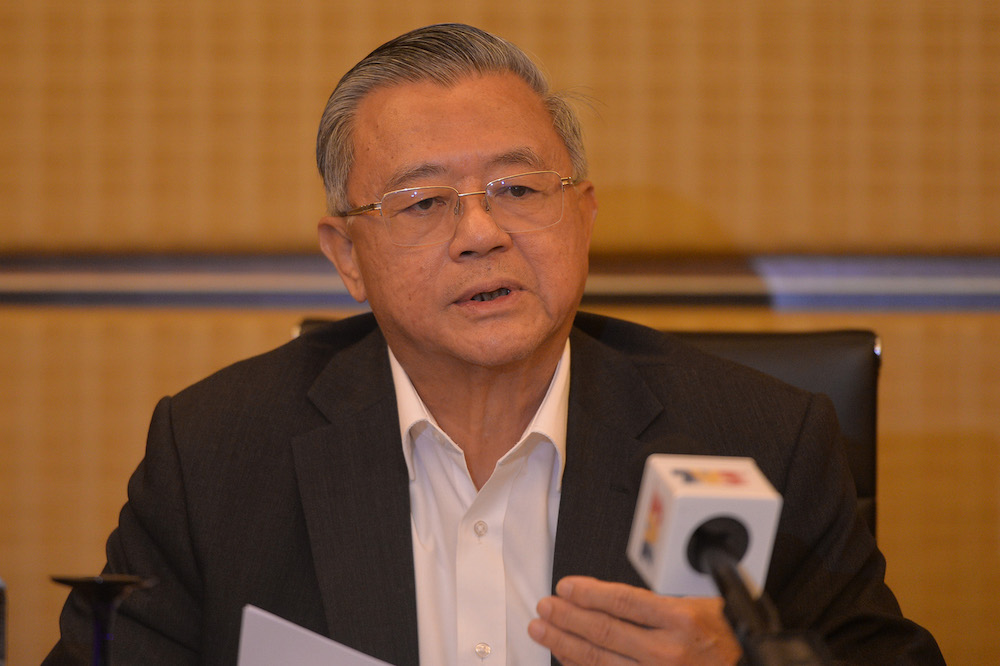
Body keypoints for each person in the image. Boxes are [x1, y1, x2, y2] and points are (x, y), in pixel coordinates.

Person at [46, 23, 944, 665]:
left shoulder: (760, 436)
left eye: (518, 188)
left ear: (583, 218)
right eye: (424, 202)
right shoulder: (213, 454)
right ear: (347, 257)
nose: (480, 233)